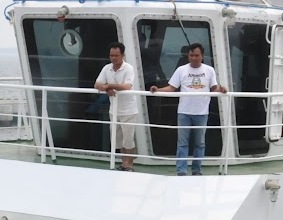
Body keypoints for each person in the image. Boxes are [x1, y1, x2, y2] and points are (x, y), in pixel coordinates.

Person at [150, 43, 226, 176]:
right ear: (188, 56)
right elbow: (172, 88)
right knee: (182, 143)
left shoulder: (209, 70)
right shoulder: (181, 70)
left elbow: (214, 88)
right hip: (184, 112)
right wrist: (158, 90)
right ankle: (181, 171)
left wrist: (221, 89)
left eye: (196, 55)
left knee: (200, 143)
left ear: (202, 56)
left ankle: (196, 170)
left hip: (202, 112)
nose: (194, 58)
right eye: (191, 55)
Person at [95, 41, 140, 171]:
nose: (113, 58)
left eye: (116, 55)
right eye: (111, 55)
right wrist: (106, 89)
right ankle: (124, 163)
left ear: (122, 55)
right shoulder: (107, 68)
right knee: (118, 139)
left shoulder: (128, 68)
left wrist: (109, 85)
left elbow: (127, 86)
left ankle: (129, 165)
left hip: (129, 111)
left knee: (128, 139)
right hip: (114, 110)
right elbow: (97, 84)